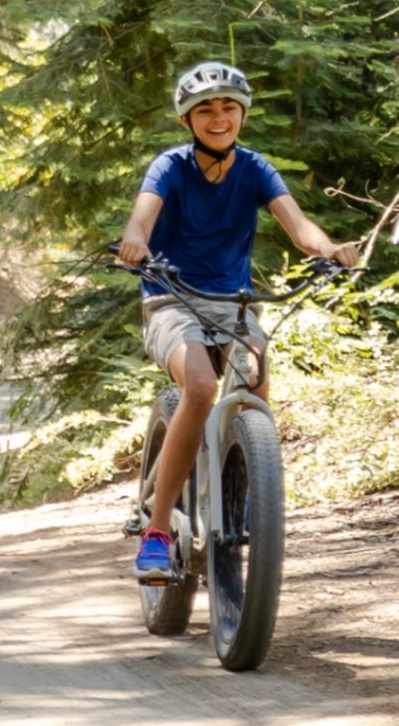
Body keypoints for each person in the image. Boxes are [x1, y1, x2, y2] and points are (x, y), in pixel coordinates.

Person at [114, 59, 351, 583]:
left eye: (228, 108)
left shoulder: (255, 168)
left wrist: (329, 249)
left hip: (233, 302)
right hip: (170, 298)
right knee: (200, 387)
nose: (218, 118)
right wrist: (135, 241)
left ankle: (246, 500)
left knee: (256, 380)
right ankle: (156, 531)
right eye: (205, 110)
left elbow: (298, 226)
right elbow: (143, 215)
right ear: (187, 120)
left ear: (241, 115)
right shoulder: (170, 167)